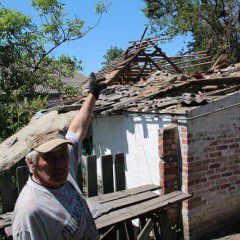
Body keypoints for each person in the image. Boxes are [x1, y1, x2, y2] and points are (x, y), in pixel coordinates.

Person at [12, 73, 106, 240]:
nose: (61, 163)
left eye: (63, 154)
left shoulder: (63, 170)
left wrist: (92, 95)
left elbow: (77, 130)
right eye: (50, 157)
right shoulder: (31, 211)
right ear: (31, 163)